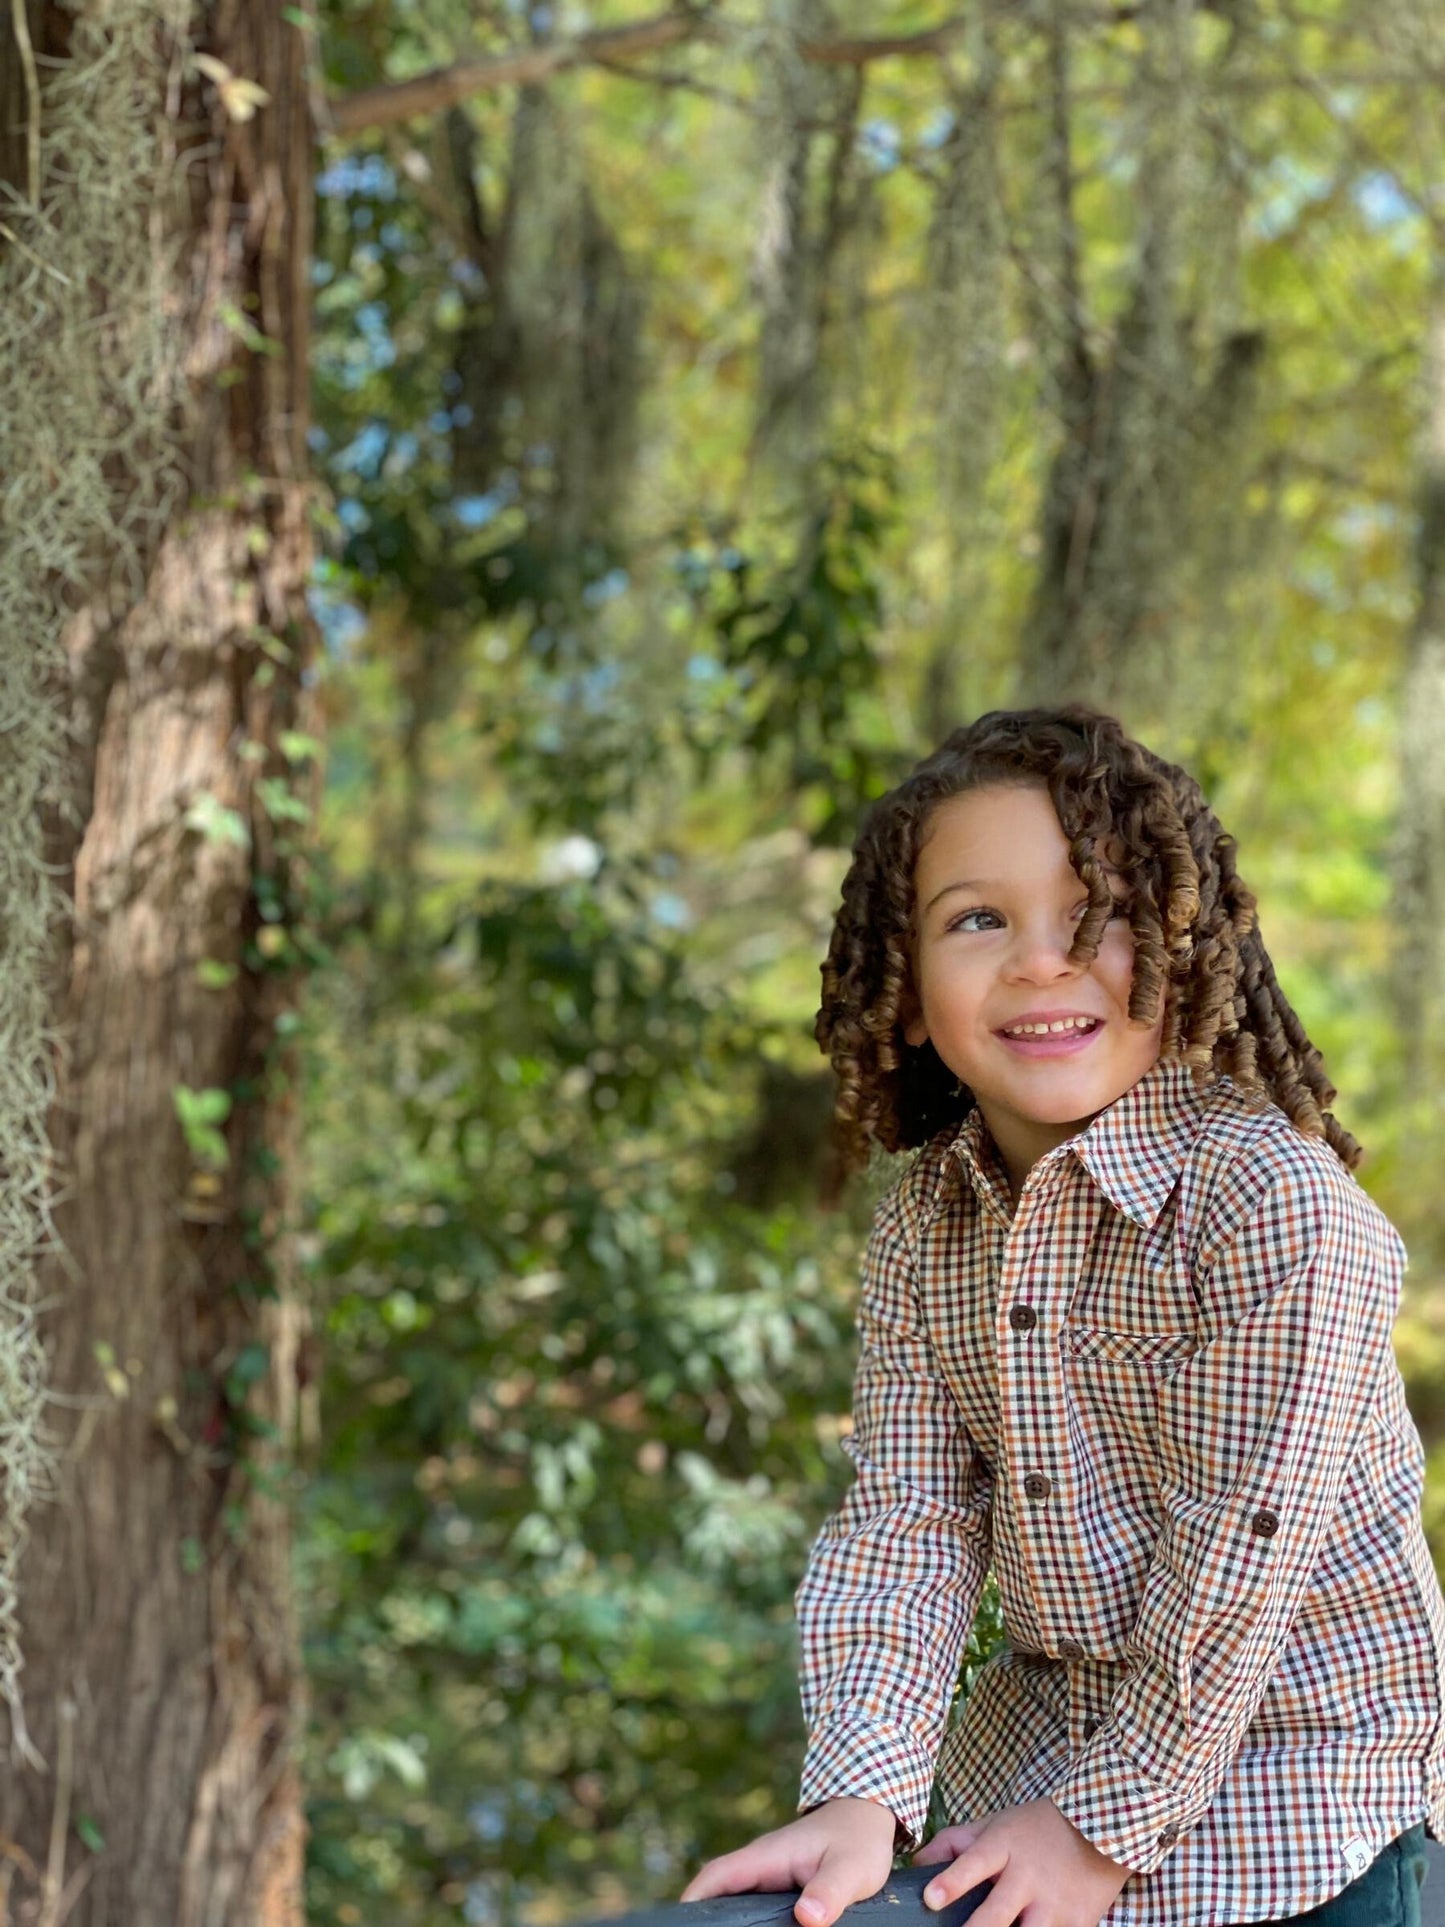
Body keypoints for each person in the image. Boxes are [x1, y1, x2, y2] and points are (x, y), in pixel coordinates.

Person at [681, 707, 1445, 1927]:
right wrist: (860, 1799)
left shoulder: (1274, 1210)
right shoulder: (927, 1219)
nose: (1042, 959)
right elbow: (910, 1518)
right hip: (1030, 1789)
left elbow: (1235, 1560)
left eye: (1097, 911)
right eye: (976, 919)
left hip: (1300, 1818)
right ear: (911, 990)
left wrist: (1099, 1827)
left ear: (1183, 949)